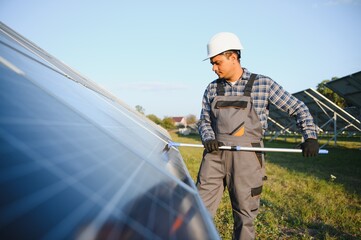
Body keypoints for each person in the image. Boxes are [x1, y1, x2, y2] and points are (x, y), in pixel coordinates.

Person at [196, 32, 319, 240]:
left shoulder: (263, 84)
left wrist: (310, 137)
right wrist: (208, 137)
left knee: (245, 215)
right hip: (215, 156)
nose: (213, 68)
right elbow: (204, 120)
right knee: (198, 210)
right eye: (212, 64)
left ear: (233, 57)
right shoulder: (211, 88)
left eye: (217, 63)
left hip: (248, 158)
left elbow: (297, 107)